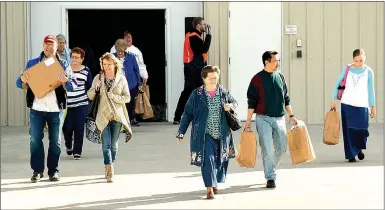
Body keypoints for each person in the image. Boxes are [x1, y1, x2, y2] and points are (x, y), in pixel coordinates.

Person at [16, 35, 75, 182]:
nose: (49, 48)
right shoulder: (33, 63)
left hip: (56, 109)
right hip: (37, 109)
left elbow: (72, 86)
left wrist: (65, 81)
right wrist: (22, 80)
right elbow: (19, 83)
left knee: (55, 142)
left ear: (57, 48)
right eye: (46, 45)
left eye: (52, 45)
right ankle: (37, 170)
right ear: (43, 46)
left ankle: (53, 171)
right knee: (35, 140)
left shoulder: (64, 64)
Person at [176, 65, 237, 199]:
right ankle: (209, 188)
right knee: (207, 160)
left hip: (222, 133)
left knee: (220, 160)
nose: (213, 81)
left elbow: (234, 103)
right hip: (204, 134)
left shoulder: (223, 92)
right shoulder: (196, 95)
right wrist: (181, 131)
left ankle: (214, 182)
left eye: (215, 78)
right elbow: (187, 114)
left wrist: (230, 107)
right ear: (204, 78)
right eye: (210, 78)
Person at [245, 51, 298, 189]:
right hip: (263, 119)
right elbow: (251, 102)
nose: (278, 63)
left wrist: (291, 116)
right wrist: (248, 121)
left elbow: (286, 98)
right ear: (266, 62)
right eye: (275, 61)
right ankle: (270, 177)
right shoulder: (257, 79)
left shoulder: (280, 76)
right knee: (267, 149)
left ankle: (270, 168)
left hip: (280, 118)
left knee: (282, 148)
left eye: (278, 60)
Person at [87, 52, 132, 183]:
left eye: (109, 64)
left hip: (117, 115)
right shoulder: (98, 77)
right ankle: (109, 168)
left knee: (114, 145)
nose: (106, 67)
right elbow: (89, 96)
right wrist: (95, 89)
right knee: (106, 144)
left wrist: (114, 97)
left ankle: (111, 163)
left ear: (115, 64)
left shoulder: (121, 78)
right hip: (102, 115)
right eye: (104, 64)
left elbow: (127, 98)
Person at [331, 49, 376, 162]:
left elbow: (371, 90)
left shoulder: (368, 71)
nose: (359, 63)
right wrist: (333, 98)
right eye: (356, 61)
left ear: (364, 58)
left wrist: (373, 106)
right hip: (347, 104)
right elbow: (337, 83)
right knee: (348, 131)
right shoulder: (347, 69)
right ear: (353, 59)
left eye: (361, 60)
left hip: (362, 105)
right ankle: (351, 155)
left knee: (362, 130)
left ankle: (358, 148)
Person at [173, 17, 212, 124]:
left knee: (196, 92)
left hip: (196, 67)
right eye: (204, 24)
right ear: (198, 26)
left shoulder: (195, 36)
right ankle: (178, 116)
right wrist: (209, 35)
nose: (205, 26)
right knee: (190, 92)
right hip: (193, 68)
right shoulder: (193, 37)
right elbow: (203, 49)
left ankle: (195, 116)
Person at [62, 47, 93, 160]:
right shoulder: (66, 69)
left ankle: (77, 151)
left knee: (79, 128)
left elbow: (89, 87)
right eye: (72, 57)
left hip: (82, 103)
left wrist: (88, 101)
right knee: (67, 127)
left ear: (82, 59)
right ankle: (68, 145)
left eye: (76, 57)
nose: (74, 59)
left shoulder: (86, 71)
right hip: (68, 104)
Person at [113, 39, 142, 126]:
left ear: (125, 49)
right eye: (118, 51)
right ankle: (120, 123)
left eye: (122, 51)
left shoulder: (131, 57)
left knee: (128, 105)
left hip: (130, 85)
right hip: (116, 85)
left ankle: (126, 124)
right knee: (118, 105)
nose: (120, 53)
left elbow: (136, 71)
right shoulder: (112, 57)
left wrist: (139, 84)